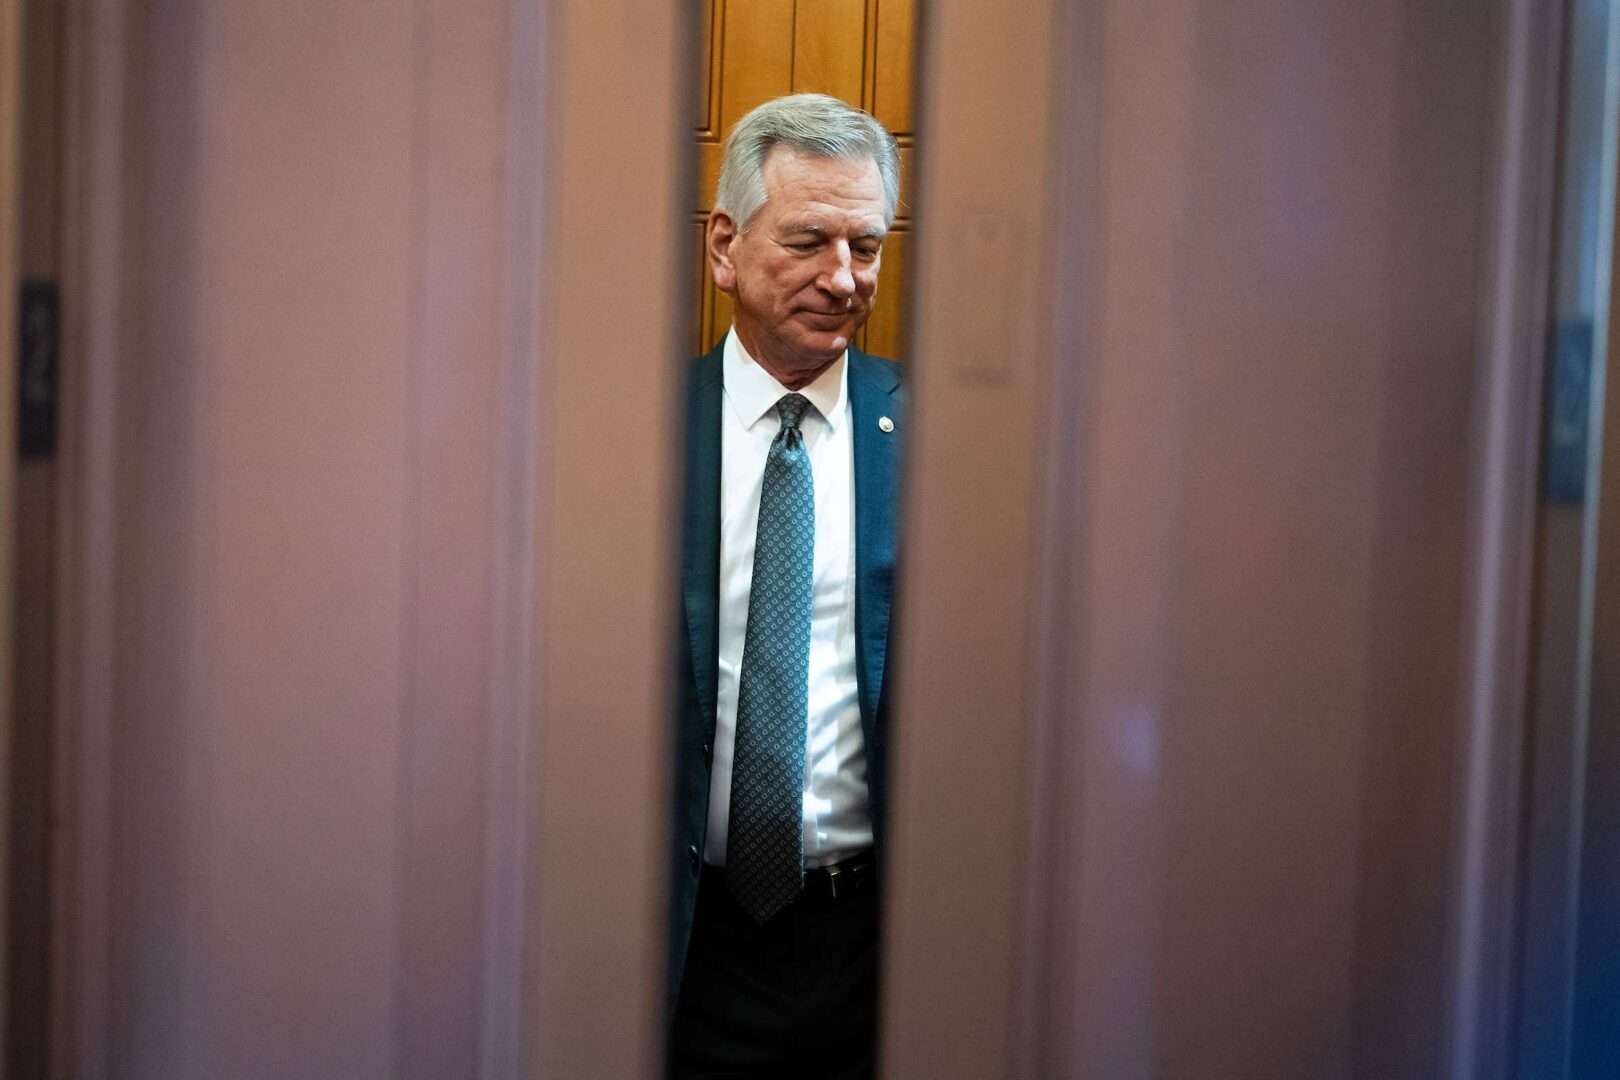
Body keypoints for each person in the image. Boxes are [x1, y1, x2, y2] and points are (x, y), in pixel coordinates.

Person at [668, 93, 904, 1079]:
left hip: (879, 944)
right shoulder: (635, 430)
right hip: (688, 938)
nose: (843, 279)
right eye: (809, 241)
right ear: (725, 246)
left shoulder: (941, 438)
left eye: (867, 246)